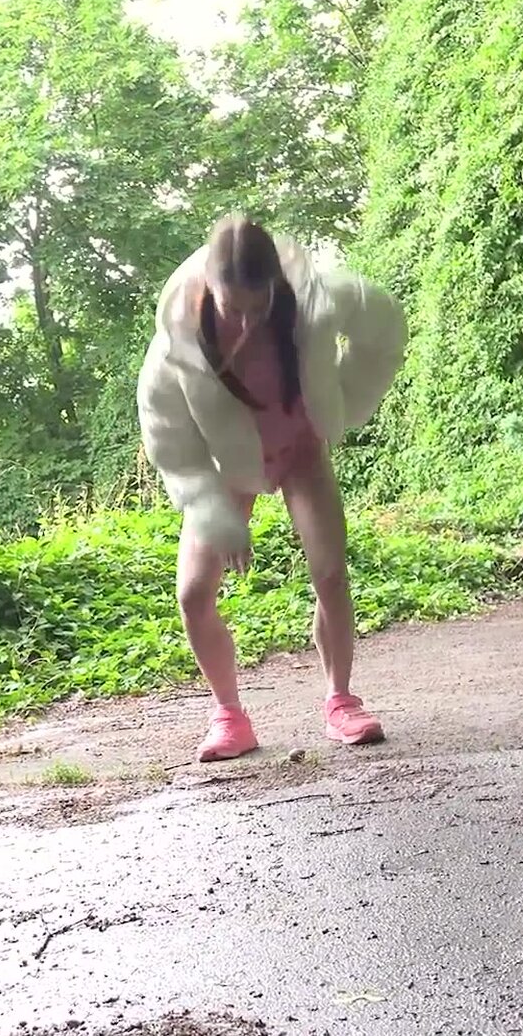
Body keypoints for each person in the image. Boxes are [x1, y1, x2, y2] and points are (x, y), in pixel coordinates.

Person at [136, 212, 408, 762]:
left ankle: (341, 701)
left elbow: (384, 328)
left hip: (299, 450)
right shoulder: (177, 343)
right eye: (232, 307)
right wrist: (214, 512)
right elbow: (168, 437)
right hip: (227, 464)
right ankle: (229, 716)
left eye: (257, 306)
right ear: (209, 287)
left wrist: (348, 397)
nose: (246, 320)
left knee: (330, 574)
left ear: (274, 286)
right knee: (193, 594)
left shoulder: (315, 300)